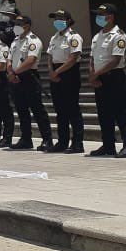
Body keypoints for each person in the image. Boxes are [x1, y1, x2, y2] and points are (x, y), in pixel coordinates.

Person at [88, 3, 126, 158]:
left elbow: (115, 60)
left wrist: (96, 74)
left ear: (110, 17)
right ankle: (108, 145)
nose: (98, 18)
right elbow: (92, 58)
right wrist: (93, 74)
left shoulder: (119, 35)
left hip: (115, 77)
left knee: (122, 113)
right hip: (99, 78)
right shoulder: (97, 36)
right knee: (104, 113)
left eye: (101, 15)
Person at [7, 15, 54, 151]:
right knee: (21, 110)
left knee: (37, 109)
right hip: (15, 78)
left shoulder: (33, 40)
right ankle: (26, 139)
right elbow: (9, 59)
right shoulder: (15, 41)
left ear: (26, 25)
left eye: (18, 24)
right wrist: (11, 73)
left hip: (29, 77)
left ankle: (47, 139)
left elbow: (31, 60)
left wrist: (15, 73)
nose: (16, 26)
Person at [47, 9, 85, 153]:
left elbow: (73, 58)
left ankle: (77, 143)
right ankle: (62, 142)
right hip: (55, 73)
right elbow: (50, 56)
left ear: (68, 20)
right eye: (55, 18)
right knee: (60, 110)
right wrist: (51, 71)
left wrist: (57, 72)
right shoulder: (54, 37)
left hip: (69, 73)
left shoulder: (74, 37)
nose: (57, 21)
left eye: (60, 18)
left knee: (72, 109)